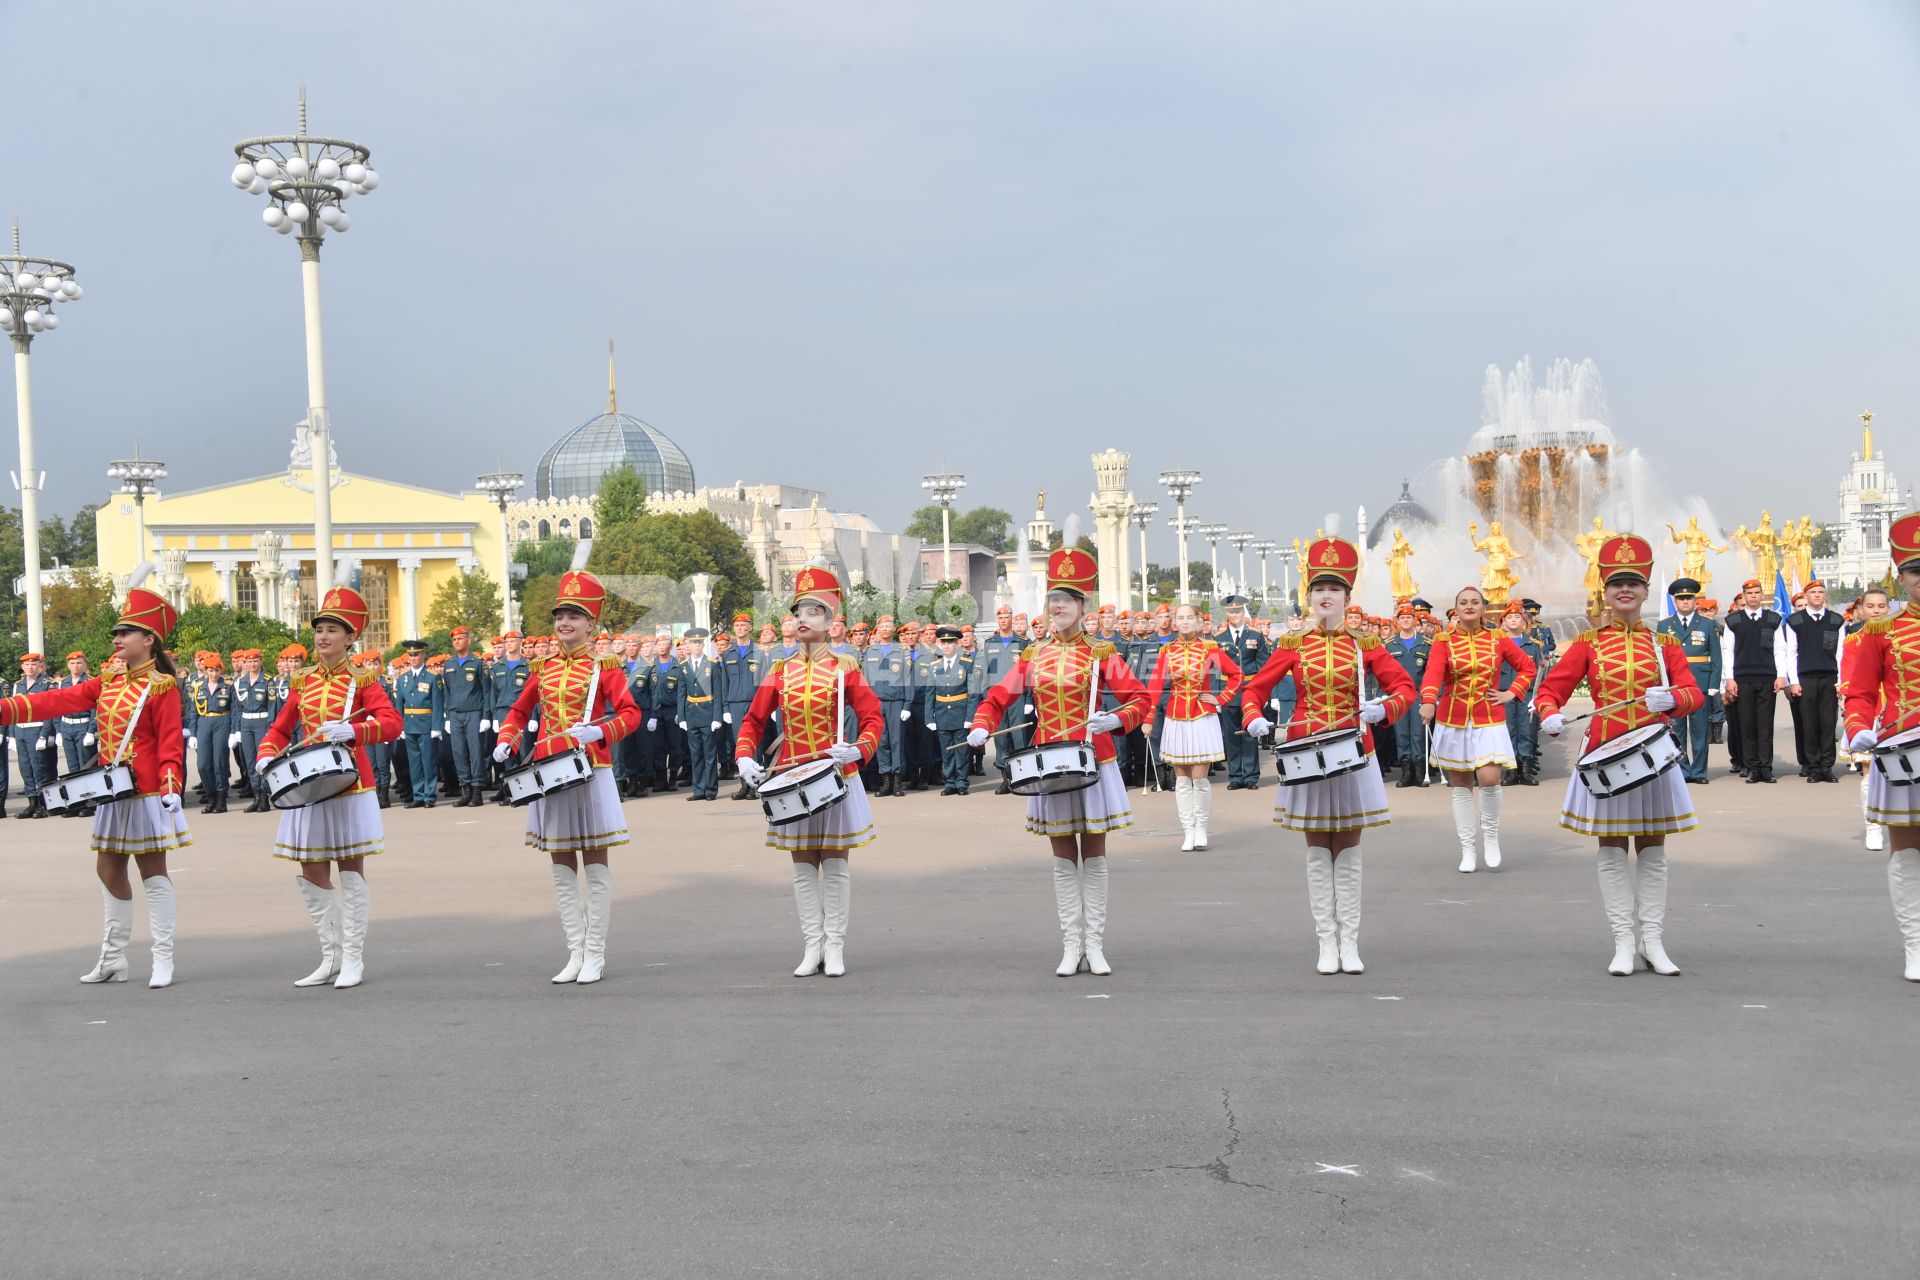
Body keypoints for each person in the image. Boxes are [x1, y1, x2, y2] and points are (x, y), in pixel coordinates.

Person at [0, 573, 191, 986]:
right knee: (107, 869)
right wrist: (5, 709)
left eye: (127, 632)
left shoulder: (163, 688)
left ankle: (163, 958)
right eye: (117, 632)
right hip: (110, 792)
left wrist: (170, 788)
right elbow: (54, 700)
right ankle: (114, 958)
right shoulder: (108, 681)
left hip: (145, 794)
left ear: (150, 641)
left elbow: (170, 744)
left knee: (153, 871)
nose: (118, 638)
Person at [968, 549, 1152, 977]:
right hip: (1049, 763)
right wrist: (982, 723)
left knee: (1096, 852)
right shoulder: (1035, 655)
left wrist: (1116, 718)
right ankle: (1071, 945)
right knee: (1064, 854)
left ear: (1083, 605)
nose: (1059, 606)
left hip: (1093, 761)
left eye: (1068, 599)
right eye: (1054, 598)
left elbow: (1140, 700)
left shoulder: (1103, 653)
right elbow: (1001, 695)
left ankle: (1096, 945)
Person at [1240, 537, 1416, 975]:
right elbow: (1255, 688)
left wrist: (1384, 708)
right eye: (1318, 589)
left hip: (1355, 752)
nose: (1325, 596)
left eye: (1334, 590)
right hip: (1306, 753)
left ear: (1347, 597)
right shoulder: (1292, 644)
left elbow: (1405, 689)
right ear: (1309, 596)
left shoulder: (1366, 643)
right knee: (1319, 845)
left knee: (1350, 845)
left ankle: (1350, 942)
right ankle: (1326, 942)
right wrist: (1254, 719)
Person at [1535, 535, 1703, 976]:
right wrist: (1549, 713)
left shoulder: (1664, 643)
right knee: (1611, 847)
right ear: (1604, 592)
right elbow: (1552, 689)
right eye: (1616, 584)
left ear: (1646, 591)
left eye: (1633, 583)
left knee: (1652, 847)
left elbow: (1693, 692)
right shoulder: (1588, 643)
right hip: (1605, 759)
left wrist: (1674, 700)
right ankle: (1623, 942)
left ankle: (1653, 940)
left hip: (1654, 758)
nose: (1624, 591)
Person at [493, 567, 643, 984]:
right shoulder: (541, 668)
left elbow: (631, 713)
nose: (564, 623)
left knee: (594, 860)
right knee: (560, 862)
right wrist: (508, 737)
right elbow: (520, 710)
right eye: (560, 615)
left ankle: (595, 953)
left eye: (574, 616)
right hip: (547, 772)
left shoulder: (605, 667)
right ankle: (574, 951)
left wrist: (599, 730)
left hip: (590, 771)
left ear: (591, 623)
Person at [734, 566, 883, 978]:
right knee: (802, 866)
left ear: (832, 621)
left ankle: (835, 947)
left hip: (835, 777)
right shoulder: (778, 670)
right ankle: (811, 946)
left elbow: (873, 719)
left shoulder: (845, 666)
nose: (804, 618)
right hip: (791, 779)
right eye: (799, 611)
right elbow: (752, 721)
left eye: (814, 612)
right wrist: (745, 756)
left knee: (834, 863)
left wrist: (855, 749)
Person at [256, 587, 404, 989]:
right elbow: (281, 726)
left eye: (332, 630)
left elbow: (392, 723)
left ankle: (354, 957)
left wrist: (354, 730)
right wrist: (266, 752)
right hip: (307, 786)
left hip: (349, 785)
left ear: (351, 637)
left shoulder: (364, 679)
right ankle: (331, 955)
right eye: (319, 629)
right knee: (309, 871)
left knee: (350, 868)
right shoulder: (302, 681)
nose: (323, 637)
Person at [1841, 517, 1920, 979]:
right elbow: (1861, 692)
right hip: (1903, 751)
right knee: (1907, 847)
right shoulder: (1879, 632)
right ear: (1901, 577)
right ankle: (1915, 945)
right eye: (1916, 571)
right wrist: (1857, 728)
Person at [1420, 586, 1536, 873]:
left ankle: (1492, 837)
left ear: (1483, 608)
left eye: (1475, 602)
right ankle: (1468, 847)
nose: (1469, 606)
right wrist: (1428, 702)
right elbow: (1433, 674)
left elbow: (1528, 667)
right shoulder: (1443, 641)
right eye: (1463, 602)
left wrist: (1512, 693)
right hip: (1454, 718)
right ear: (1456, 609)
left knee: (1489, 778)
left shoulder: (1498, 639)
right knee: (1461, 785)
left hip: (1489, 718)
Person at [1145, 603, 1244, 850]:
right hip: (1176, 717)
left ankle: (1201, 828)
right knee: (1181, 778)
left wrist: (1220, 699)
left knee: (1199, 778)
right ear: (1174, 622)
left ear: (1198, 622)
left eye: (1190, 617)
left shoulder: (1210, 649)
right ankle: (1187, 831)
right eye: (1181, 618)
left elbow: (1236, 675)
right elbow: (1155, 686)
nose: (1185, 622)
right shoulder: (1166, 651)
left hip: (1203, 716)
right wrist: (1147, 719)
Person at [1721, 578, 1792, 783]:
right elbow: (1728, 652)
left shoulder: (1773, 619)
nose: (1753, 596)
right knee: (1747, 724)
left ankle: (1766, 767)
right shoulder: (1733, 621)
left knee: (1765, 724)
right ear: (1743, 596)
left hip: (1767, 678)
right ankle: (1751, 767)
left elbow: (1780, 649)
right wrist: (1729, 679)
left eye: (1756, 593)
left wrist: (1781, 675)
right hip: (1742, 679)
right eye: (1749, 593)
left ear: (1762, 595)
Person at [1656, 578, 1719, 784]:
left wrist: (1713, 686)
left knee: (1700, 730)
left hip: (1699, 683)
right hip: (1676, 686)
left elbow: (1716, 657)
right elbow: (1660, 658)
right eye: (1681, 598)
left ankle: (1699, 771)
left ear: (1695, 600)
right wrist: (1663, 686)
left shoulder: (1708, 624)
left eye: (1689, 598)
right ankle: (1682, 770)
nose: (1685, 601)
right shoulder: (1665, 625)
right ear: (1675, 601)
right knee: (1678, 730)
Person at [1844, 587, 1893, 851]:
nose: (1876, 611)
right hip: (1870, 713)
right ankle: (1872, 827)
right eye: (1871, 606)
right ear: (1862, 610)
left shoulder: (1902, 636)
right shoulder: (1853, 642)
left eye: (1881, 606)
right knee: (1870, 772)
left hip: (1900, 713)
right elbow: (1852, 682)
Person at [1784, 580, 1846, 783]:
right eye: (1813, 592)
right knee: (1809, 723)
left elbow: (1840, 653)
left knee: (1828, 723)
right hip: (1805, 678)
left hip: (1829, 678)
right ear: (1806, 596)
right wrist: (1794, 681)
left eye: (1821, 592)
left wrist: (1840, 681)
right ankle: (1812, 767)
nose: (1817, 595)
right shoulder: (1795, 621)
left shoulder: (1837, 621)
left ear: (1825, 595)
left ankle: (1827, 766)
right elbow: (1791, 653)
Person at [1214, 595, 1271, 791]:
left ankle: (1251, 776)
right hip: (1228, 692)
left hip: (1249, 690)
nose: (1235, 614)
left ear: (1243, 612)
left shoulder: (1255, 636)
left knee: (1249, 734)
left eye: (1238, 611)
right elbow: (1214, 671)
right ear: (1226, 614)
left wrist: (1263, 695)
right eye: (1231, 611)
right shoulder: (1218, 640)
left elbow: (1264, 668)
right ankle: (1235, 776)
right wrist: (1216, 697)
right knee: (1231, 735)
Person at [973, 605, 1031, 794]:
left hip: (1017, 696)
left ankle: (1022, 777)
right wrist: (985, 695)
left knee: (1019, 736)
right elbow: (982, 670)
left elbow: (1029, 672)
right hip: (996, 696)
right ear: (997, 620)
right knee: (1000, 738)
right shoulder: (989, 643)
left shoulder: (1023, 642)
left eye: (1007, 617)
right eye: (1001, 617)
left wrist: (1029, 699)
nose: (1004, 620)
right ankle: (1006, 777)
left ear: (1012, 618)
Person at [1498, 601, 1547, 786]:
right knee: (1508, 730)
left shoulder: (1532, 646)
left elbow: (1540, 672)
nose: (1513, 620)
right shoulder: (1498, 644)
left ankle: (1525, 770)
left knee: (1526, 731)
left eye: (1517, 617)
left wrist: (1538, 697)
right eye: (1509, 617)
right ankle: (1511, 771)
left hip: (1526, 694)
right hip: (1504, 693)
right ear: (1503, 622)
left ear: (1523, 622)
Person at [1383, 603, 1431, 788]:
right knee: (1401, 733)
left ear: (1414, 620)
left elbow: (1430, 672)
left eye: (1409, 618)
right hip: (1398, 696)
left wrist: (1432, 696)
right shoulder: (1390, 645)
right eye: (1402, 618)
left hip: (1418, 695)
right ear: (1398, 621)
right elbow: (1384, 672)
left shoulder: (1426, 644)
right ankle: (1406, 772)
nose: (1406, 620)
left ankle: (1419, 771)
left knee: (1418, 733)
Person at [440, 626, 487, 807]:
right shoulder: (449, 664)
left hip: (474, 712)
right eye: (454, 639)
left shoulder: (478, 663)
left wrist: (485, 716)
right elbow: (447, 692)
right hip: (455, 713)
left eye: (460, 638)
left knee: (475, 753)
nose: (457, 642)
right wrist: (447, 717)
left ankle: (477, 791)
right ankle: (465, 789)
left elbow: (485, 690)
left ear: (468, 640)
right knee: (458, 752)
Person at [392, 640, 444, 807]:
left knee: (428, 762)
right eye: (411, 655)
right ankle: (418, 795)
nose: (413, 658)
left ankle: (429, 796)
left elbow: (437, 703)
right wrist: (399, 726)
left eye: (416, 654)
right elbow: (399, 704)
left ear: (423, 655)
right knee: (414, 763)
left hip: (427, 725)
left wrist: (437, 727)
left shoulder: (432, 677)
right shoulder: (403, 679)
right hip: (409, 725)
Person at [675, 627, 723, 802]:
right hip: (691, 714)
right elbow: (680, 693)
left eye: (699, 643)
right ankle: (699, 789)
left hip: (708, 712)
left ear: (703, 645)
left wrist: (717, 717)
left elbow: (718, 692)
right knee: (695, 754)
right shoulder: (683, 666)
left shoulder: (712, 664)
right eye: (693, 643)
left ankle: (710, 789)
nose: (696, 646)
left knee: (710, 755)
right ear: (689, 645)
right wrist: (681, 717)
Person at [10, 653, 56, 819]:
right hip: (20, 730)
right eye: (27, 665)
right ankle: (32, 803)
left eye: (34, 664)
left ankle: (44, 804)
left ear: (40, 666)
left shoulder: (46, 684)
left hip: (36, 730)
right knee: (25, 768)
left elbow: (50, 710)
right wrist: (12, 735)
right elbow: (13, 711)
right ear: (22, 667)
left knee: (40, 768)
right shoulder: (17, 686)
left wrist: (45, 735)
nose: (30, 667)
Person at [52, 651, 98, 815]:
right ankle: (77, 802)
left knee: (86, 765)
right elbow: (57, 707)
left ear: (85, 664)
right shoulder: (62, 683)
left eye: (79, 663)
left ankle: (90, 802)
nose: (75, 666)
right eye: (72, 663)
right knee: (72, 767)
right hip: (67, 726)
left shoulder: (91, 682)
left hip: (84, 725)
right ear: (67, 665)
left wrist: (91, 731)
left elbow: (96, 708)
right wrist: (58, 730)